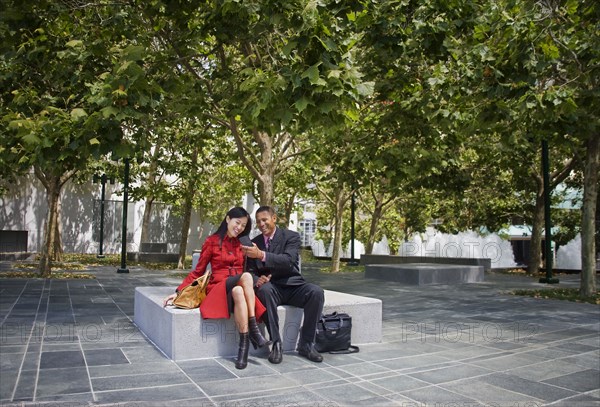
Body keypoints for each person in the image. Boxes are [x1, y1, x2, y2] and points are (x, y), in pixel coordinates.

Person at [163, 207, 271, 369]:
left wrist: (266, 275)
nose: (240, 227)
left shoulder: (241, 244)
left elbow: (253, 268)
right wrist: (178, 292)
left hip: (234, 290)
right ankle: (255, 330)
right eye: (237, 222)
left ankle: (244, 347)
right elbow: (197, 271)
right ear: (228, 219)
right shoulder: (211, 241)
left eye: (243, 225)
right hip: (217, 290)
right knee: (246, 277)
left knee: (238, 291)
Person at [242, 206, 325, 364]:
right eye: (258, 221)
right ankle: (276, 343)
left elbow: (288, 260)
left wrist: (262, 255)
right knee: (264, 290)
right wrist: (256, 280)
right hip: (272, 290)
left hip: (293, 285)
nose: (261, 224)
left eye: (264, 220)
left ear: (274, 218)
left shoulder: (291, 236)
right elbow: (250, 271)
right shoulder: (255, 243)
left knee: (316, 292)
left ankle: (306, 344)